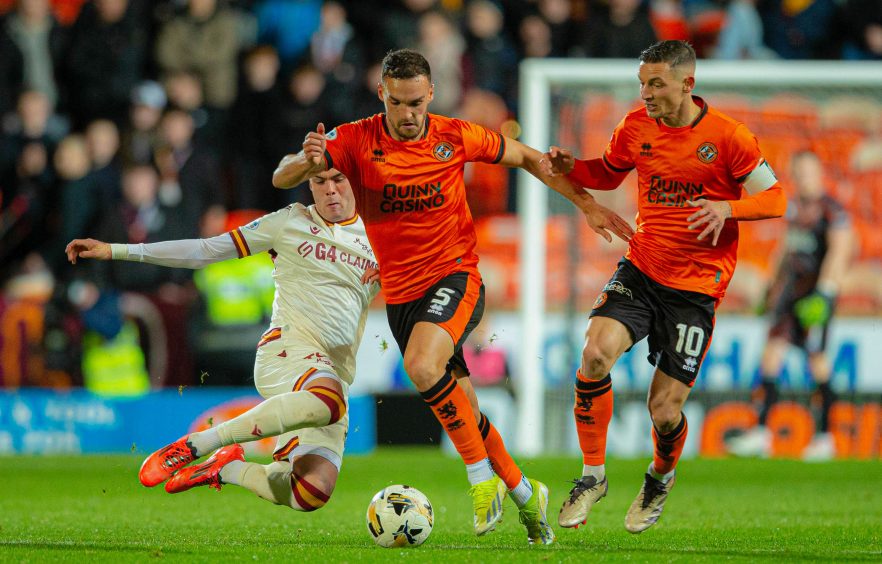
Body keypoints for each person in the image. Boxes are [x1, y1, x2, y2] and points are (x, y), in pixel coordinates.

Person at [271, 48, 633, 545]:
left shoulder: (454, 135)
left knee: (423, 366)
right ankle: (528, 494)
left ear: (431, 94)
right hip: (401, 297)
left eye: (416, 102)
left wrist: (587, 203)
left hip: (455, 278)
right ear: (382, 95)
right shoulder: (354, 139)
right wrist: (303, 162)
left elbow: (529, 157)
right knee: (464, 407)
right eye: (397, 103)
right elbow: (283, 174)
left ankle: (480, 480)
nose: (408, 114)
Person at [539, 40, 786, 534]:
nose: (646, 93)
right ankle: (592, 476)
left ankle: (660, 475)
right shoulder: (635, 126)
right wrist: (573, 169)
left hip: (696, 289)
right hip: (643, 266)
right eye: (642, 83)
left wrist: (728, 208)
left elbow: (776, 199)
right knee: (593, 355)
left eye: (656, 83)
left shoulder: (730, 137)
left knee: (664, 408)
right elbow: (606, 175)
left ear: (687, 84)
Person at [65, 168, 382, 514]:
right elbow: (204, 250)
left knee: (308, 492)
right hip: (288, 350)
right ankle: (200, 442)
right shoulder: (289, 222)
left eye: (339, 180)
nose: (330, 190)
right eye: (320, 182)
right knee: (328, 402)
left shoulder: (383, 239)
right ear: (309, 185)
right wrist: (116, 250)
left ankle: (225, 467)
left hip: (334, 372)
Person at [727, 151, 852, 461]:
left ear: (819, 172)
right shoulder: (794, 208)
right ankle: (761, 432)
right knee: (771, 356)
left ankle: (825, 437)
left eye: (808, 172)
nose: (803, 178)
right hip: (789, 295)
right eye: (798, 172)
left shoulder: (831, 211)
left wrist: (825, 292)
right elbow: (785, 249)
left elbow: (840, 250)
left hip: (814, 297)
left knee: (817, 362)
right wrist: (770, 289)